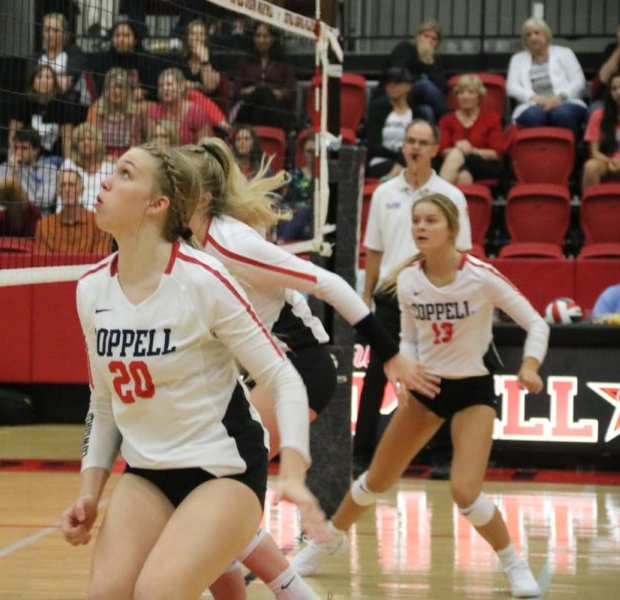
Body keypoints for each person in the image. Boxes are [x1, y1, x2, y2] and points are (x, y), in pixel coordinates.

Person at [60, 143, 326, 598]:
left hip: (225, 469)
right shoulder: (91, 289)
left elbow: (283, 378)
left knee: (156, 593)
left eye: (125, 174)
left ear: (157, 204)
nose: (105, 180)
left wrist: (296, 473)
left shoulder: (202, 279)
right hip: (147, 472)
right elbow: (103, 402)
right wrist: (89, 490)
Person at [182, 138, 439, 600]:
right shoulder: (188, 243)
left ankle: (286, 588)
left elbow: (331, 283)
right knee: (210, 487)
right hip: (260, 373)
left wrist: (390, 353)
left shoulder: (231, 241)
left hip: (299, 368)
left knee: (213, 485)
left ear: (198, 195)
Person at [290, 194, 548, 599]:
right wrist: (405, 372)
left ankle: (514, 563)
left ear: (451, 229)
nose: (420, 228)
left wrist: (530, 366)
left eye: (430, 220)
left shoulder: (481, 275)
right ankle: (327, 542)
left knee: (464, 491)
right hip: (427, 388)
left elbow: (536, 322)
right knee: (376, 479)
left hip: (473, 391)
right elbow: (408, 338)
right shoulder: (407, 280)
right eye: (416, 221)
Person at [353, 120, 472, 479]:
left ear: (436, 149)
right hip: (390, 295)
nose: (416, 147)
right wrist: (365, 298)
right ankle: (362, 455)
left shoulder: (451, 196)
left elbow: (462, 251)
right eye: (410, 141)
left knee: (440, 374)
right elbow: (373, 251)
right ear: (403, 147)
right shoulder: (385, 193)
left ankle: (443, 456)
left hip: (435, 294)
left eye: (423, 142)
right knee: (377, 375)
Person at [507, 17, 587, 139]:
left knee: (562, 114)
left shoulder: (565, 53)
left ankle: (571, 154)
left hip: (565, 101)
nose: (532, 37)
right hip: (533, 104)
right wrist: (535, 98)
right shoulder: (518, 59)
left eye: (536, 33)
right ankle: (538, 155)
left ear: (546, 34)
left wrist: (559, 98)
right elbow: (511, 87)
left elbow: (579, 81)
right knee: (535, 116)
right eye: (528, 35)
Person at [437, 73, 504, 185]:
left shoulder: (492, 118)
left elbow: (496, 153)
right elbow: (442, 151)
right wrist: (459, 148)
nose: (465, 96)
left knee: (459, 153)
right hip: (456, 165)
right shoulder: (446, 120)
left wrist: (470, 150)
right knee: (463, 176)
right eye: (461, 93)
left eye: (470, 92)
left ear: (479, 96)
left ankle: (436, 195)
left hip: (483, 165)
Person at [9, 63, 83, 159]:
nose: (44, 81)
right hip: (26, 159)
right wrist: (14, 157)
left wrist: (67, 165)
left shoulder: (65, 104)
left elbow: (67, 139)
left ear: (54, 82)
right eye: (39, 77)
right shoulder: (22, 102)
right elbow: (13, 136)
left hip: (55, 158)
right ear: (33, 81)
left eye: (48, 78)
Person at [233, 22, 298, 129]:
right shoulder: (244, 62)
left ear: (273, 38)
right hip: (248, 110)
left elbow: (290, 93)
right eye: (258, 36)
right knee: (260, 91)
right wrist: (253, 91)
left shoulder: (284, 63)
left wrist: (273, 93)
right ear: (253, 38)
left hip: (276, 112)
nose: (261, 40)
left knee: (263, 95)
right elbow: (236, 92)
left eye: (266, 36)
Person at [385, 20, 451, 124]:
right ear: (417, 37)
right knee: (423, 83)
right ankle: (452, 120)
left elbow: (443, 88)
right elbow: (398, 73)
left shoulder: (436, 60)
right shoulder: (406, 48)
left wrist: (430, 63)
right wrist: (422, 68)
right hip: (402, 94)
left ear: (437, 44)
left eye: (434, 39)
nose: (429, 40)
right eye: (426, 36)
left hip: (420, 103)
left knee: (427, 112)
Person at [34, 168, 112, 254]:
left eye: (72, 185)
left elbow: (101, 259)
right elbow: (42, 263)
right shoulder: (44, 226)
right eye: (62, 185)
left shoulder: (99, 222)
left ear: (81, 190)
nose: (67, 189)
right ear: (58, 191)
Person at [365, 67, 420, 179]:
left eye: (397, 82)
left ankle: (390, 178)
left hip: (411, 160)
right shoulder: (377, 110)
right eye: (388, 82)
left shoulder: (417, 113)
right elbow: (373, 145)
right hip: (382, 160)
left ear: (408, 86)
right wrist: (397, 156)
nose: (391, 86)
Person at [89, 19, 159, 102]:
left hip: (140, 104)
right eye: (117, 36)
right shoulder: (103, 60)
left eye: (126, 35)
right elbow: (100, 88)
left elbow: (154, 89)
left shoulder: (148, 59)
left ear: (135, 40)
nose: (121, 39)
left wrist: (144, 93)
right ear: (112, 40)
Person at [146, 68, 216, 146]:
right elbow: (150, 144)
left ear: (182, 87)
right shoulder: (154, 112)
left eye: (169, 84)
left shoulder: (197, 112)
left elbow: (205, 147)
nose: (164, 88)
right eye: (161, 86)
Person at [86, 67, 144, 159]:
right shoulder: (95, 109)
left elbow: (136, 146)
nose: (117, 91)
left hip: (127, 159)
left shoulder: (135, 111)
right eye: (113, 87)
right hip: (99, 159)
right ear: (106, 90)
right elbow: (91, 142)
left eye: (120, 87)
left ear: (127, 91)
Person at [37, 12, 91, 107]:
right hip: (39, 104)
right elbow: (31, 83)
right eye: (46, 30)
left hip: (71, 106)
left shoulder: (75, 53)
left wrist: (43, 83)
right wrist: (58, 79)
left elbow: (68, 83)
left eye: (55, 30)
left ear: (65, 33)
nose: (50, 34)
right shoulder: (36, 56)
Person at [61, 123, 116, 212]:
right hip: (76, 216)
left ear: (98, 143)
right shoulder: (69, 165)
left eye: (90, 139)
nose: (86, 142)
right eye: (81, 140)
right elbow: (62, 198)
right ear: (76, 144)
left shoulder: (110, 168)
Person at [278, 133, 316, 242]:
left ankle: (283, 241)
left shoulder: (327, 176)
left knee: (309, 208)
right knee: (299, 215)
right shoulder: (295, 175)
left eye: (314, 151)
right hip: (297, 220)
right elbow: (284, 202)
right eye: (308, 151)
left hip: (317, 220)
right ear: (303, 153)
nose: (312, 155)